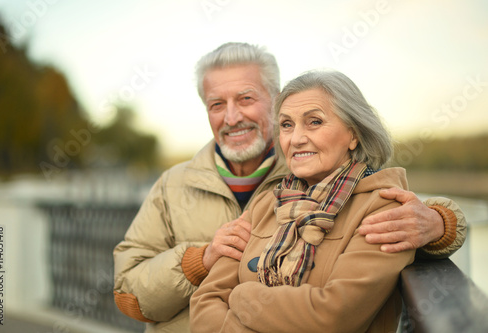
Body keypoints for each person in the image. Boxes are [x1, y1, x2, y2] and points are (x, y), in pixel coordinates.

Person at [113, 43, 466, 333]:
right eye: (217, 104)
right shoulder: (176, 186)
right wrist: (199, 260)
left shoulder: (313, 167)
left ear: (275, 97)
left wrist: (441, 222)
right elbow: (127, 296)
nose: (232, 117)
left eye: (246, 98)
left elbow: (393, 204)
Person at [190, 69, 414, 332]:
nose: (296, 139)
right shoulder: (266, 204)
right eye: (286, 125)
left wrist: (242, 297)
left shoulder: (382, 208)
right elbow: (205, 302)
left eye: (314, 122)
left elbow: (333, 316)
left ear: (353, 135)